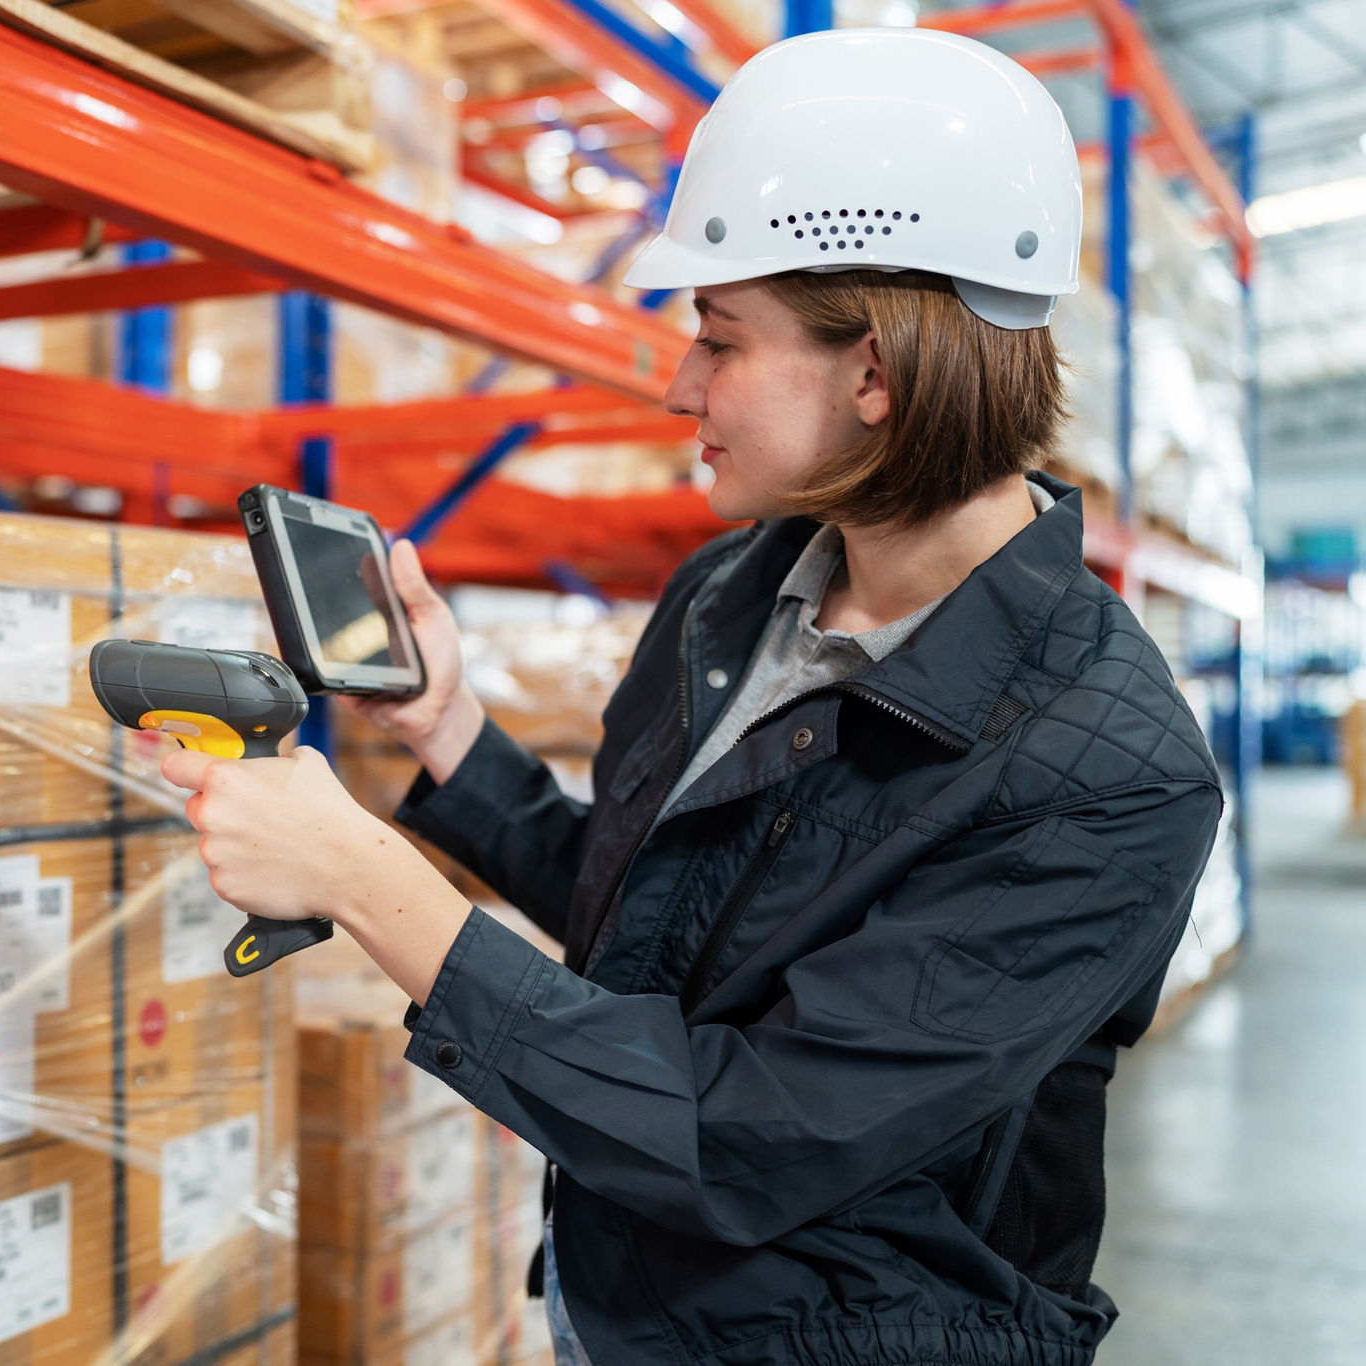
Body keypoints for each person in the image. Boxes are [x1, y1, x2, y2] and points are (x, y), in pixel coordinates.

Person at [163, 27, 1223, 1366]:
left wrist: (370, 880)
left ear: (877, 373)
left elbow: (744, 1132)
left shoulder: (1106, 775)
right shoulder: (733, 594)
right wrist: (452, 736)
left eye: (718, 340)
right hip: (631, 1314)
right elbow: (658, 934)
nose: (677, 384)